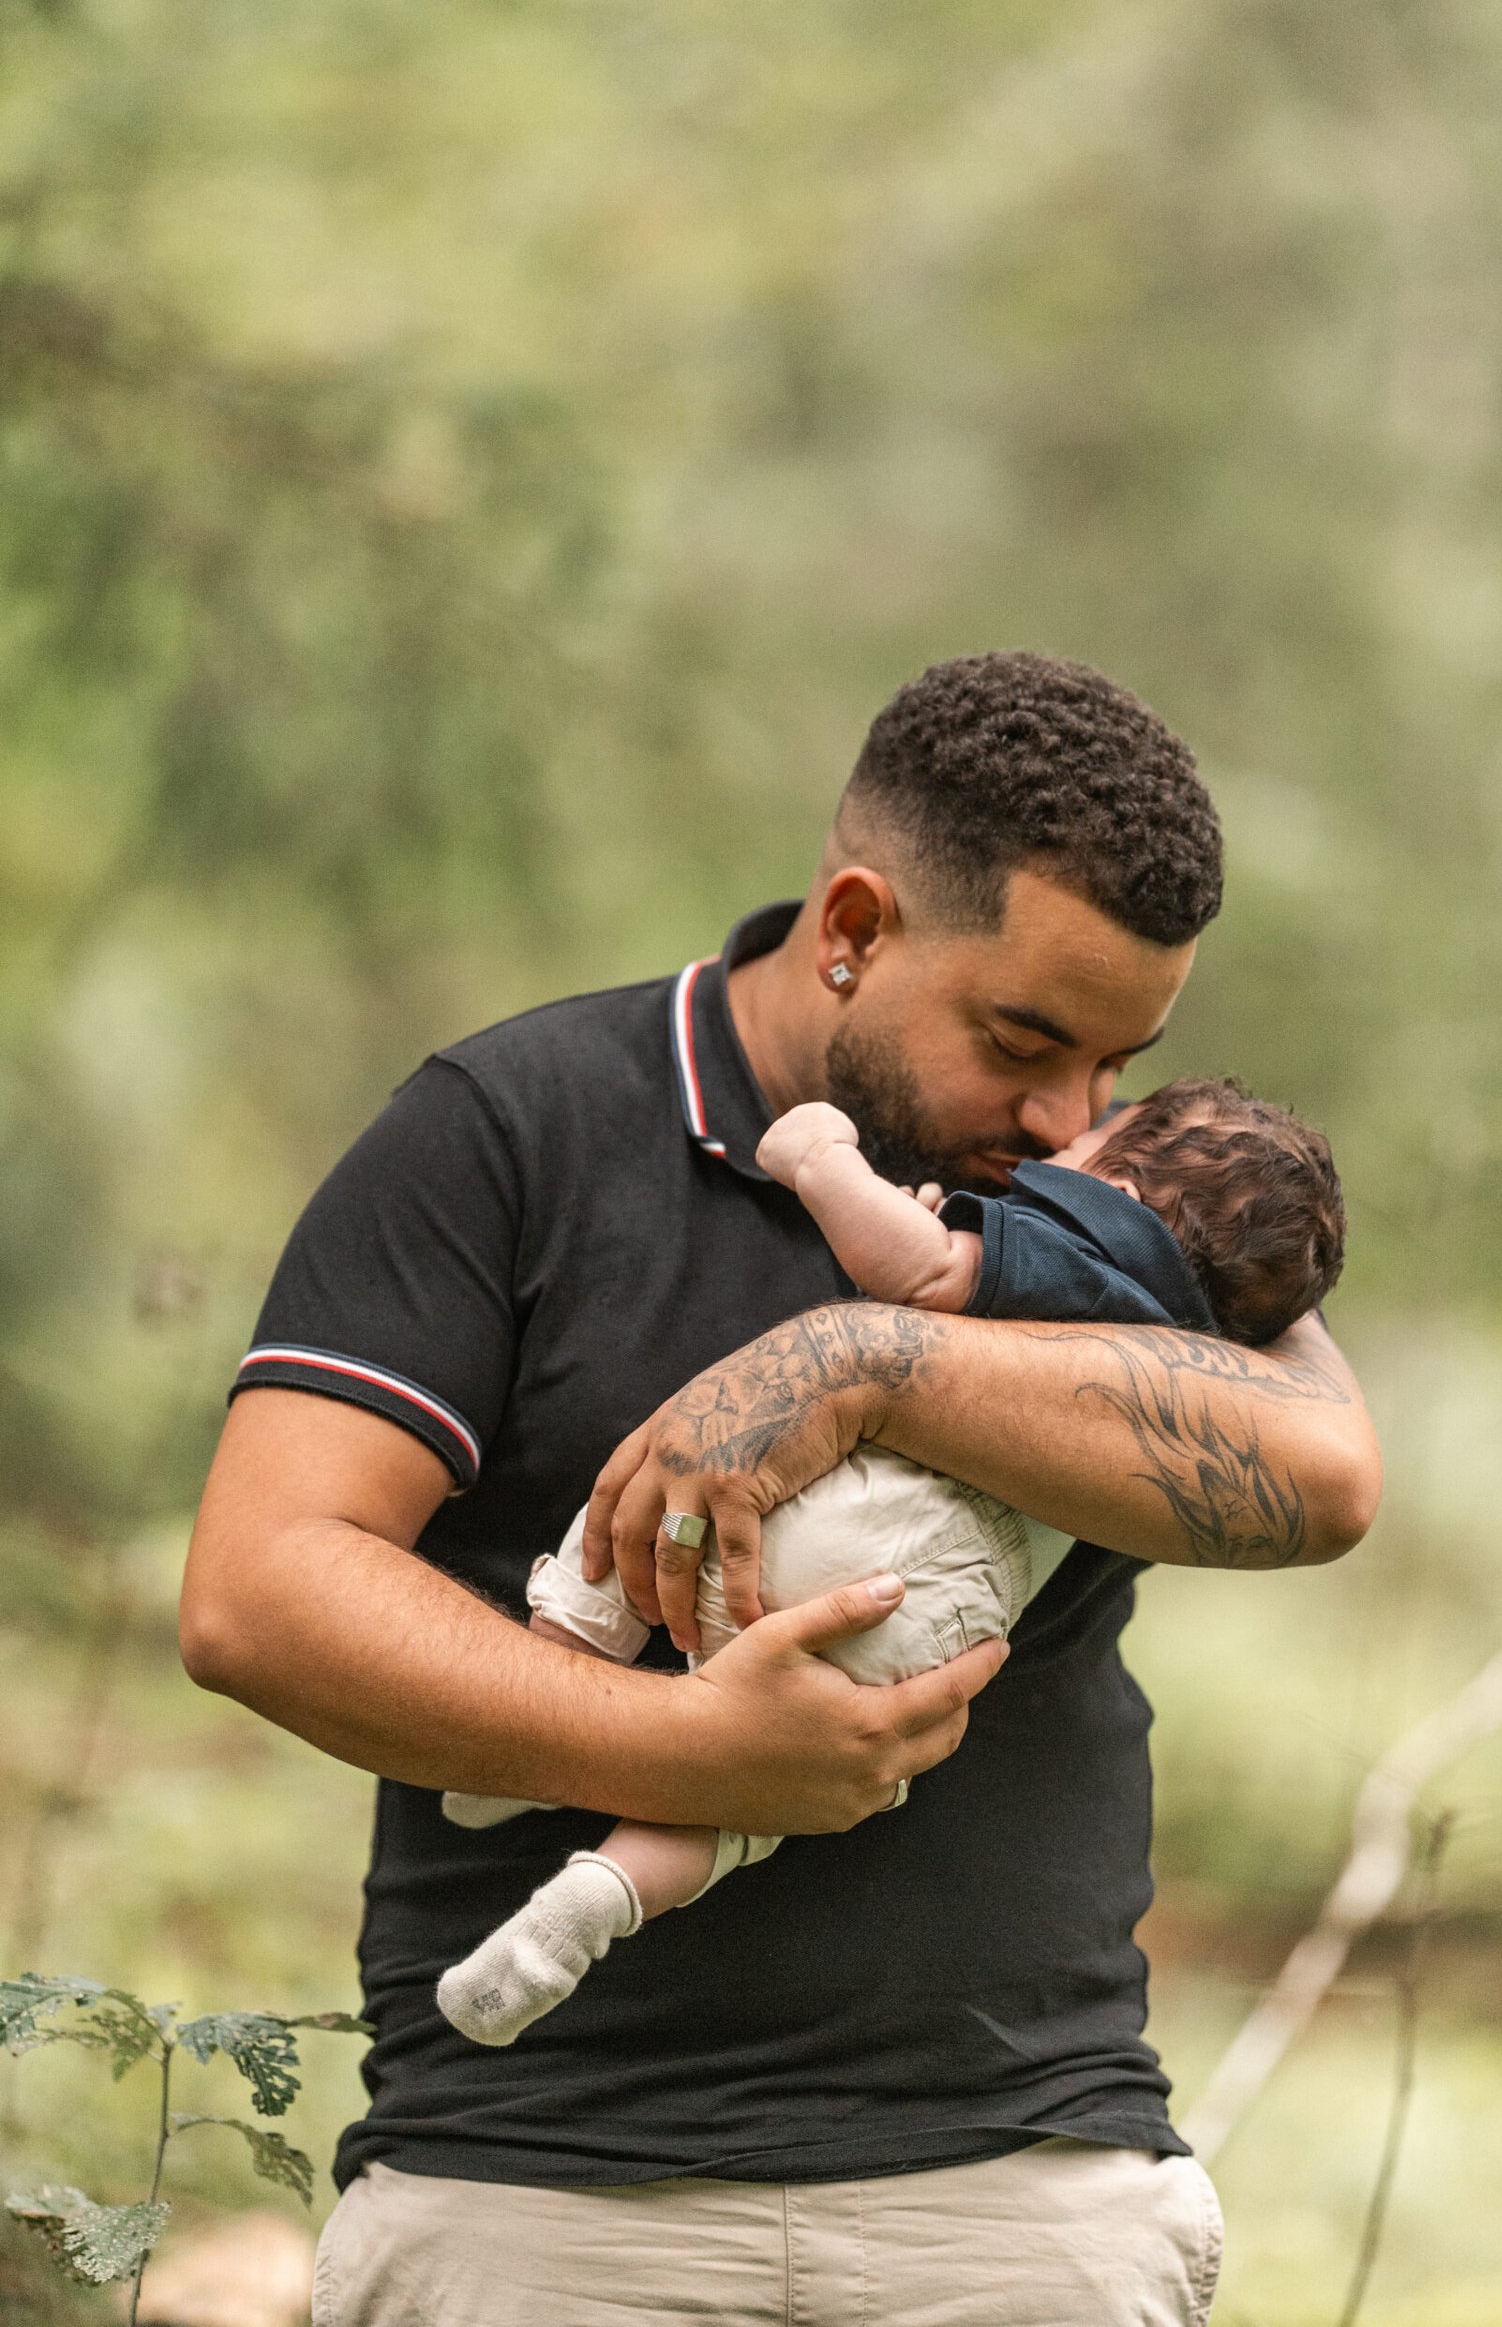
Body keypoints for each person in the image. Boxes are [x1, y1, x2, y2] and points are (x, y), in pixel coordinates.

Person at [181, 653, 1382, 2327]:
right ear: (855, 928)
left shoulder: (1138, 1200)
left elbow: (1324, 1478)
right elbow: (257, 1594)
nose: (1067, 1119)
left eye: (1120, 1059)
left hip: (1020, 2196)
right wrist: (686, 1752)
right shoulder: (513, 1132)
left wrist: (864, 1362)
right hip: (546, 2197)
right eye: (1024, 1037)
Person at [435, 1076, 1346, 2047]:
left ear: (1116, 1193)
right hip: (928, 1615)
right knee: (748, 1802)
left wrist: (822, 1161)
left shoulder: (1091, 1238)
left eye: (1099, 1135)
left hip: (846, 1512)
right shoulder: (1194, 1359)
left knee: (648, 1498)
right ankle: (592, 1902)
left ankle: (546, 1705)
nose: (1064, 1133)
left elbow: (915, 1275)